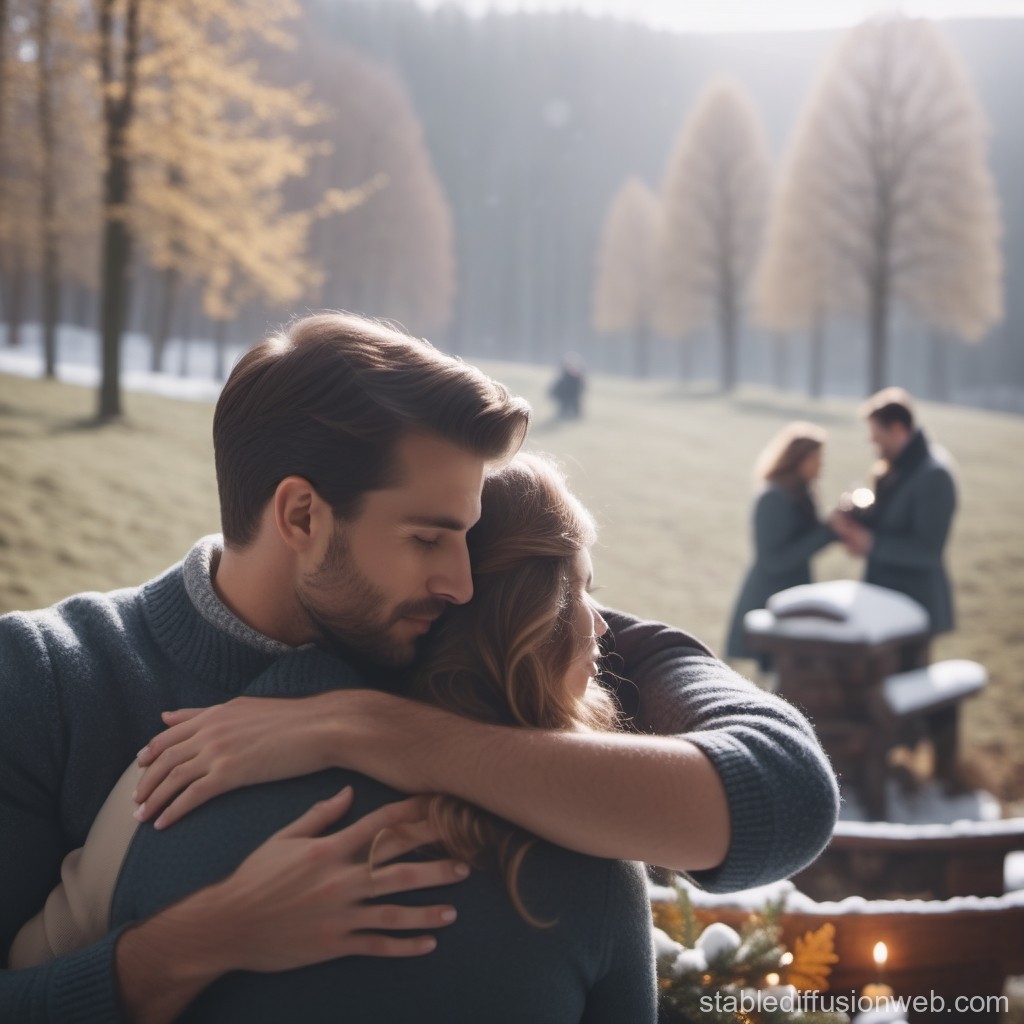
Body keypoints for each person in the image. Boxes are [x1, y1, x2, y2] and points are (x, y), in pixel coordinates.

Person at [1, 312, 838, 1024]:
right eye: (430, 537)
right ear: (301, 515)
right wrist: (203, 939)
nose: (464, 579)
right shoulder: (47, 677)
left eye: (469, 537)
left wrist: (367, 728)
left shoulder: (438, 619)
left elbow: (787, 795)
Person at [11, 455, 658, 1023]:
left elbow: (27, 976)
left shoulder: (170, 779)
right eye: (582, 589)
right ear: (529, 621)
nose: (602, 624)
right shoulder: (591, 847)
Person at [829, 387, 957, 635]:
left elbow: (927, 550)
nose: (872, 442)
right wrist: (857, 514)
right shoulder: (902, 465)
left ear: (897, 430)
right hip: (886, 599)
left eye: (876, 436)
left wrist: (871, 543)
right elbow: (893, 517)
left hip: (915, 605)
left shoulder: (934, 474)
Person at [725, 422, 835, 663]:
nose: (821, 465)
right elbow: (774, 560)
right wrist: (828, 531)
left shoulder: (802, 492)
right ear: (798, 459)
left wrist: (836, 527)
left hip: (794, 591)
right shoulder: (773, 498)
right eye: (816, 458)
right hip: (769, 594)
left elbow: (810, 537)